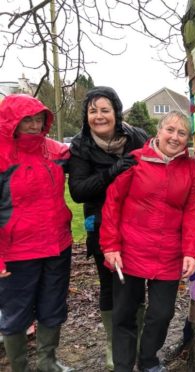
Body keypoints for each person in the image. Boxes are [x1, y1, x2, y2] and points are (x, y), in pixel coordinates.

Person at [100, 111, 195, 372]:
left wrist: (190, 251)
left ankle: (147, 359)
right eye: (170, 130)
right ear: (158, 132)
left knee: (162, 313)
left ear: (188, 139)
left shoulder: (190, 169)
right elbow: (112, 204)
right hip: (130, 251)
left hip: (168, 254)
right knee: (124, 314)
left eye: (181, 133)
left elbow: (191, 211)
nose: (175, 137)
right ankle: (123, 365)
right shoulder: (135, 162)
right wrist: (110, 246)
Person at [68, 86, 148, 370]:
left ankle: (134, 343)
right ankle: (114, 344)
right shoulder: (80, 146)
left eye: (105, 110)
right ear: (85, 115)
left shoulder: (136, 137)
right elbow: (78, 191)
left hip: (138, 221)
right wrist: (113, 171)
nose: (99, 116)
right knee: (109, 284)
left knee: (136, 282)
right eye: (93, 111)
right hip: (101, 222)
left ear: (116, 111)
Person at [0, 94, 73, 372]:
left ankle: (48, 362)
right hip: (17, 251)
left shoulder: (57, 152)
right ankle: (19, 366)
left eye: (38, 118)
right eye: (26, 119)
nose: (33, 125)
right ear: (12, 122)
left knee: (53, 306)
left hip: (57, 245)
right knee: (16, 313)